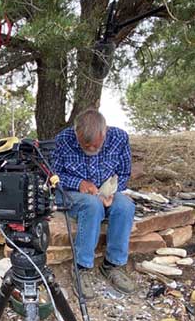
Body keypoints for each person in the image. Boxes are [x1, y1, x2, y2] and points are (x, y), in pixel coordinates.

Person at [52, 109, 137, 299]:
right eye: (85, 145)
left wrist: (111, 191)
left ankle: (113, 265)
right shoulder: (63, 140)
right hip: (72, 192)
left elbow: (124, 173)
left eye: (95, 145)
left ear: (104, 132)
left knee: (125, 207)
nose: (91, 149)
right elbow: (53, 175)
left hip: (107, 190)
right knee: (92, 206)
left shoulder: (119, 138)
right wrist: (79, 183)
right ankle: (81, 268)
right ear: (76, 133)